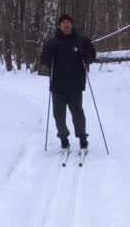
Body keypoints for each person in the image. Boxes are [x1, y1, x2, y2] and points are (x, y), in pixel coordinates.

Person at [40, 13, 97, 150]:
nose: (66, 24)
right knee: (59, 116)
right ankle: (64, 139)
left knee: (78, 114)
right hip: (58, 86)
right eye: (63, 22)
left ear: (72, 24)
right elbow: (44, 59)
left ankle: (83, 138)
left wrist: (87, 58)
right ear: (59, 26)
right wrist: (48, 56)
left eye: (68, 22)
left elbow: (92, 54)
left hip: (75, 85)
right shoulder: (52, 42)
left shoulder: (82, 40)